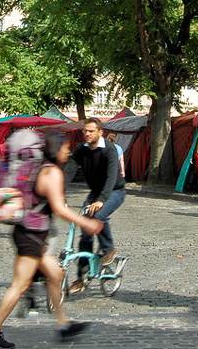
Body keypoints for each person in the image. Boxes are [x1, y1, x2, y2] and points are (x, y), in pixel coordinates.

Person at [0, 131, 103, 349]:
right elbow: (58, 208)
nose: (68, 151)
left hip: (32, 232)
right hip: (31, 236)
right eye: (65, 147)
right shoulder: (51, 172)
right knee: (20, 285)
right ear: (57, 149)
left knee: (56, 274)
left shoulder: (39, 167)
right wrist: (87, 223)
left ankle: (63, 323)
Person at [64, 118, 127, 293]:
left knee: (98, 216)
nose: (87, 134)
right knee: (85, 232)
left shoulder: (109, 149)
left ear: (100, 132)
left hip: (114, 191)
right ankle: (81, 277)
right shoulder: (81, 150)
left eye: (91, 131)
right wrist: (60, 193)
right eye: (85, 131)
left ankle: (108, 249)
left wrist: (102, 200)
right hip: (95, 192)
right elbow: (69, 170)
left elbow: (111, 176)